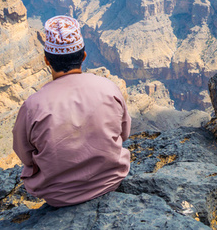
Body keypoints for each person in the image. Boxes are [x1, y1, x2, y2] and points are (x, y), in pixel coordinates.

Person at [12, 15, 131, 207]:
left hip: (58, 196)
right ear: (83, 56)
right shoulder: (109, 88)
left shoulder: (32, 106)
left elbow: (24, 155)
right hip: (111, 181)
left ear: (46, 61)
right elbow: (124, 134)